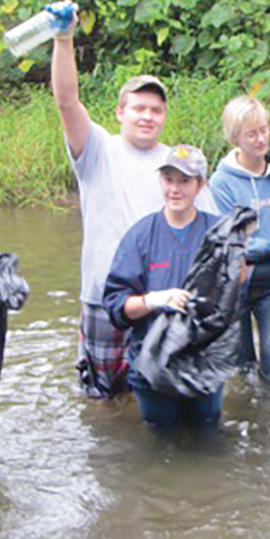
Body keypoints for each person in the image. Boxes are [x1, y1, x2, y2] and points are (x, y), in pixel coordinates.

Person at [50, 3, 217, 399]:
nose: (147, 116)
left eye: (156, 110)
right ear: (120, 112)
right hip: (105, 295)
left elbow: (210, 236)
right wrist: (63, 39)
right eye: (138, 108)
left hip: (168, 297)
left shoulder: (181, 162)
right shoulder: (98, 150)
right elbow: (67, 102)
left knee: (165, 395)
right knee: (102, 398)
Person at [102, 145, 224, 428]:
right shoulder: (140, 236)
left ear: (200, 185)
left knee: (207, 440)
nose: (175, 189)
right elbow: (116, 306)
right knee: (160, 446)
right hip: (152, 365)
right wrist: (152, 301)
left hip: (202, 366)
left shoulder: (219, 233)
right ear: (160, 182)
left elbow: (235, 298)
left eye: (185, 181)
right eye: (169, 179)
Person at [209, 96, 270, 383]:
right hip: (236, 283)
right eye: (252, 134)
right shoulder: (221, 182)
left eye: (265, 130)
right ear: (235, 137)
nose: (262, 139)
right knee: (244, 369)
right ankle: (249, 421)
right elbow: (236, 242)